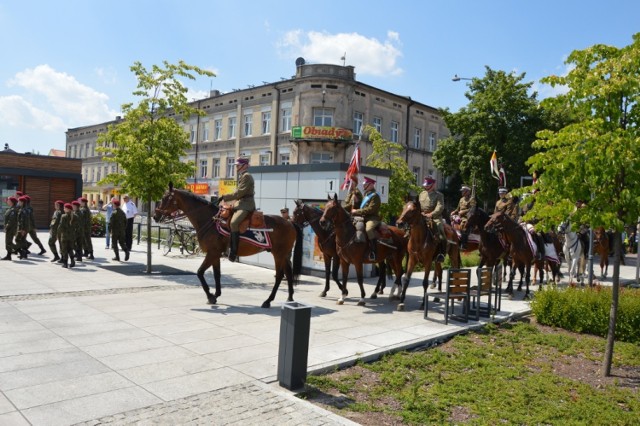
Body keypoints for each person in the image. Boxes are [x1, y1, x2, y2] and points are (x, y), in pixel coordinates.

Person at [218, 157, 255, 262]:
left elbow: (239, 193)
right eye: (236, 165)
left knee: (234, 223)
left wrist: (224, 197)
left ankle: (234, 252)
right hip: (240, 203)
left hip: (246, 205)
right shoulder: (242, 176)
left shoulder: (247, 176)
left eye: (238, 165)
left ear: (245, 165)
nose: (236, 167)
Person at [350, 176, 381, 261]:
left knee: (368, 229)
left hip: (372, 218)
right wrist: (356, 201)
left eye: (365, 184)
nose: (363, 186)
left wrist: (356, 211)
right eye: (364, 184)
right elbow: (362, 206)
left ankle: (373, 251)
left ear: (371, 185)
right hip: (362, 217)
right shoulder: (366, 194)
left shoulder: (375, 196)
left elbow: (370, 209)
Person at [419, 175, 447, 263]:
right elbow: (418, 206)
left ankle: (441, 253)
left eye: (428, 185)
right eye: (425, 184)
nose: (426, 186)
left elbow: (440, 207)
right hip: (422, 217)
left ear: (433, 185)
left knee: (440, 232)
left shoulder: (439, 195)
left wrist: (431, 214)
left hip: (435, 218)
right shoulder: (421, 194)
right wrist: (419, 212)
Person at [58, 203, 76, 268]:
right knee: (70, 249)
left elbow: (60, 226)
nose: (64, 209)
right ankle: (72, 261)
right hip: (71, 236)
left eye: (65, 208)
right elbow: (78, 226)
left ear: (68, 209)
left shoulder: (63, 216)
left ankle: (65, 263)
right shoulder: (75, 216)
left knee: (64, 249)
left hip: (64, 236)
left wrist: (58, 234)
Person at [1, 196, 18, 260]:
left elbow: (11, 220)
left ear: (12, 202)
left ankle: (20, 250)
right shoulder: (11, 209)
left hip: (11, 228)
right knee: (9, 242)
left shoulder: (13, 210)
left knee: (8, 242)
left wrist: (7, 227)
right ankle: (9, 255)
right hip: (10, 227)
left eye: (8, 200)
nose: (7, 201)